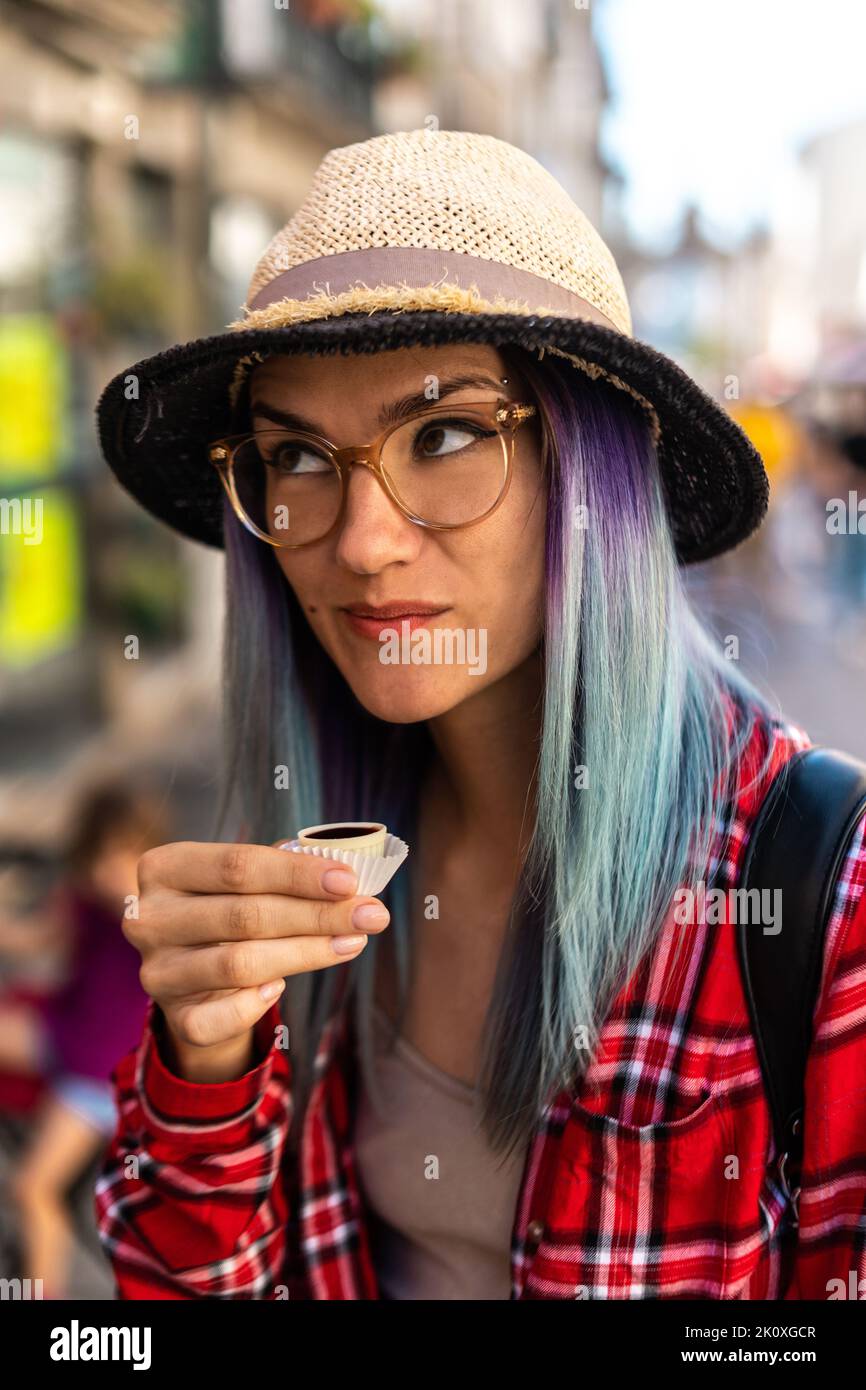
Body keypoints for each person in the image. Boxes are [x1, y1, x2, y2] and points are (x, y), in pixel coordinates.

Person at [93, 129, 866, 1301]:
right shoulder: (311, 861)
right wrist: (207, 1064)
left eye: (444, 434)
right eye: (295, 455)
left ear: (590, 471)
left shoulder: (824, 899)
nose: (359, 539)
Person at [0, 780, 167, 1298]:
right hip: (65, 1030)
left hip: (100, 1072)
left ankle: (42, 1294)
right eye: (99, 857)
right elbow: (36, 937)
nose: (107, 872)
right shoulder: (80, 895)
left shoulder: (154, 908)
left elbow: (159, 933)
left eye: (122, 857)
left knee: (33, 1188)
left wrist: (131, 896)